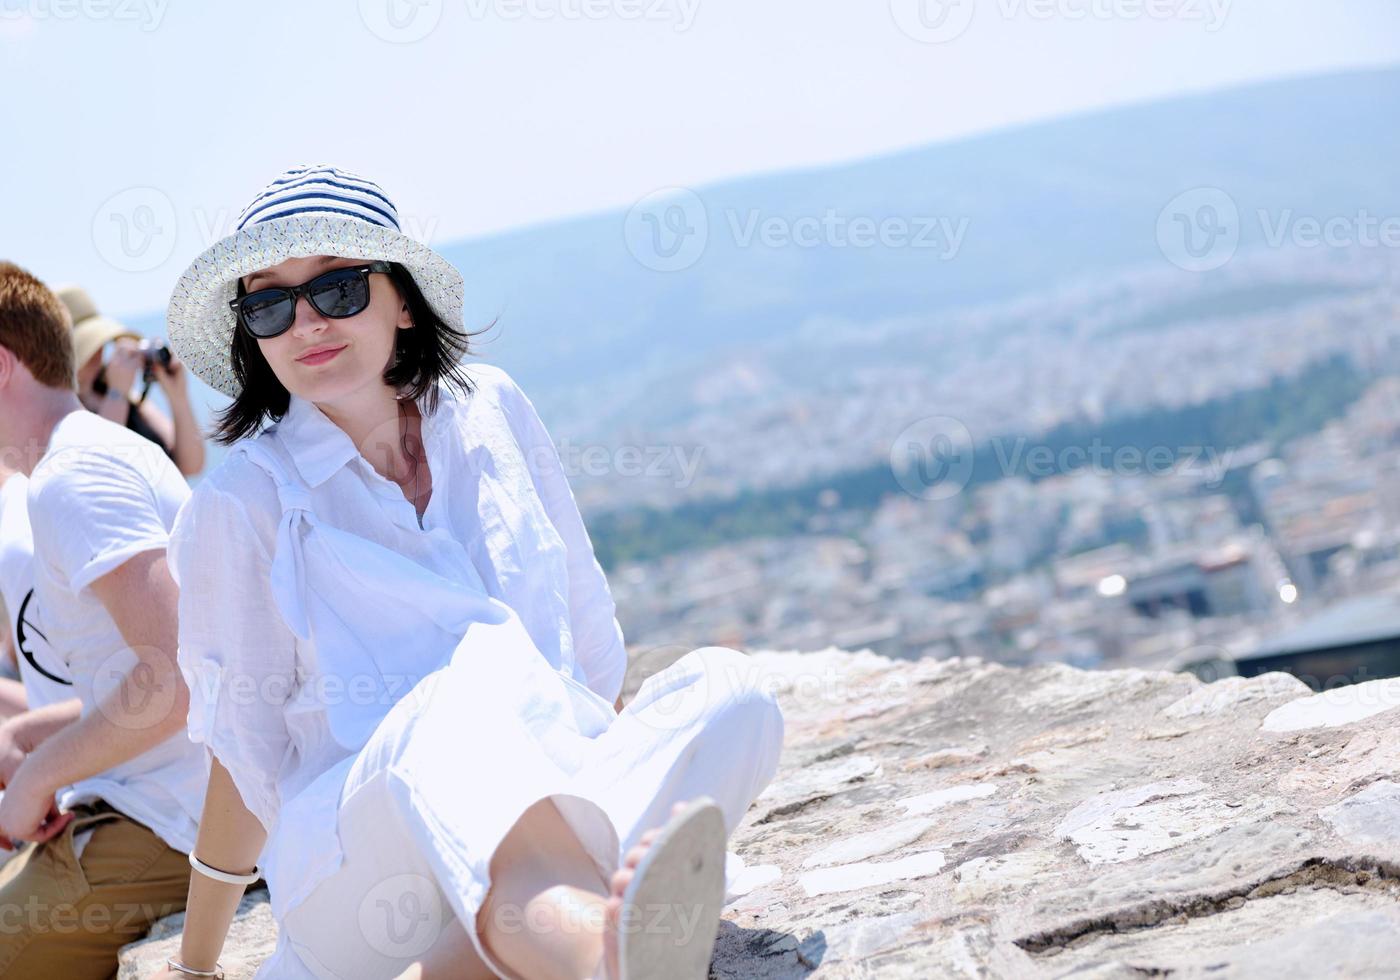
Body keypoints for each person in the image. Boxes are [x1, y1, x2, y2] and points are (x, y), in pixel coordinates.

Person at [152, 165, 785, 980]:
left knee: (731, 694)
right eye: (270, 304)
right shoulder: (243, 504)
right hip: (363, 869)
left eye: (338, 289)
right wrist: (198, 963)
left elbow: (584, 638)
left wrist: (606, 779)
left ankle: (490, 950)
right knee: (450, 708)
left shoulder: (491, 408)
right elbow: (244, 756)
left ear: (404, 301)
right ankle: (598, 953)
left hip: (540, 785)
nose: (306, 323)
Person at [0, 262, 209, 977]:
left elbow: (177, 680)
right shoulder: (84, 458)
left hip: (174, 820)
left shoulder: (71, 478)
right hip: (164, 803)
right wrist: (34, 739)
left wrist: (32, 784)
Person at [59, 285, 207, 477]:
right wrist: (117, 394)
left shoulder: (127, 396)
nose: (98, 351)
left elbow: (191, 465)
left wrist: (178, 396)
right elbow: (98, 465)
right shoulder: (63, 409)